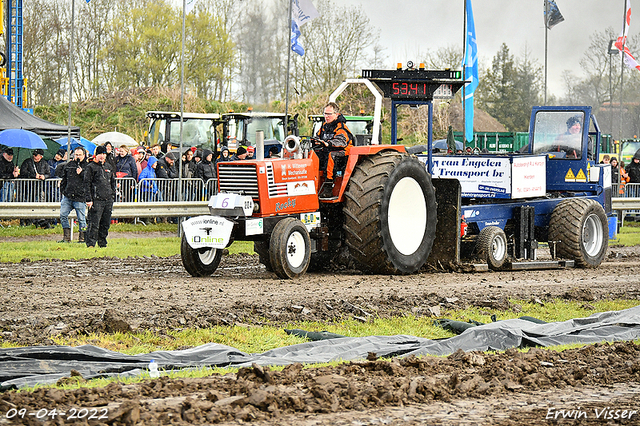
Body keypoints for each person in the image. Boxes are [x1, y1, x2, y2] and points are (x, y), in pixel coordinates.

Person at [315, 102, 354, 198]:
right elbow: (317, 136)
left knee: (331, 155)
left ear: (336, 114)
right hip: (328, 149)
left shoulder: (341, 127)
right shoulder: (324, 126)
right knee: (314, 153)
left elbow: (341, 141)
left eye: (329, 114)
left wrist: (328, 143)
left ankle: (328, 185)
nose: (326, 116)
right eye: (325, 113)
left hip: (345, 152)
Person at [84, 145, 116, 248]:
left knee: (105, 223)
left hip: (108, 199)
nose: (102, 156)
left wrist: (112, 195)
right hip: (96, 200)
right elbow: (87, 183)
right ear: (96, 155)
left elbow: (112, 182)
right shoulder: (90, 167)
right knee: (94, 223)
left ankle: (102, 243)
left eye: (104, 154)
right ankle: (91, 244)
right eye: (100, 154)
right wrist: (89, 199)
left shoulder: (108, 167)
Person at [59, 147, 88, 243]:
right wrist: (63, 190)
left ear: (84, 155)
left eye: (80, 155)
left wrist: (82, 173)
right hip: (68, 196)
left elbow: (90, 181)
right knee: (63, 215)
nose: (78, 157)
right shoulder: (69, 165)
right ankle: (66, 237)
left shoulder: (88, 166)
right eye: (76, 155)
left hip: (80, 197)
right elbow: (64, 179)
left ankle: (82, 238)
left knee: (81, 219)